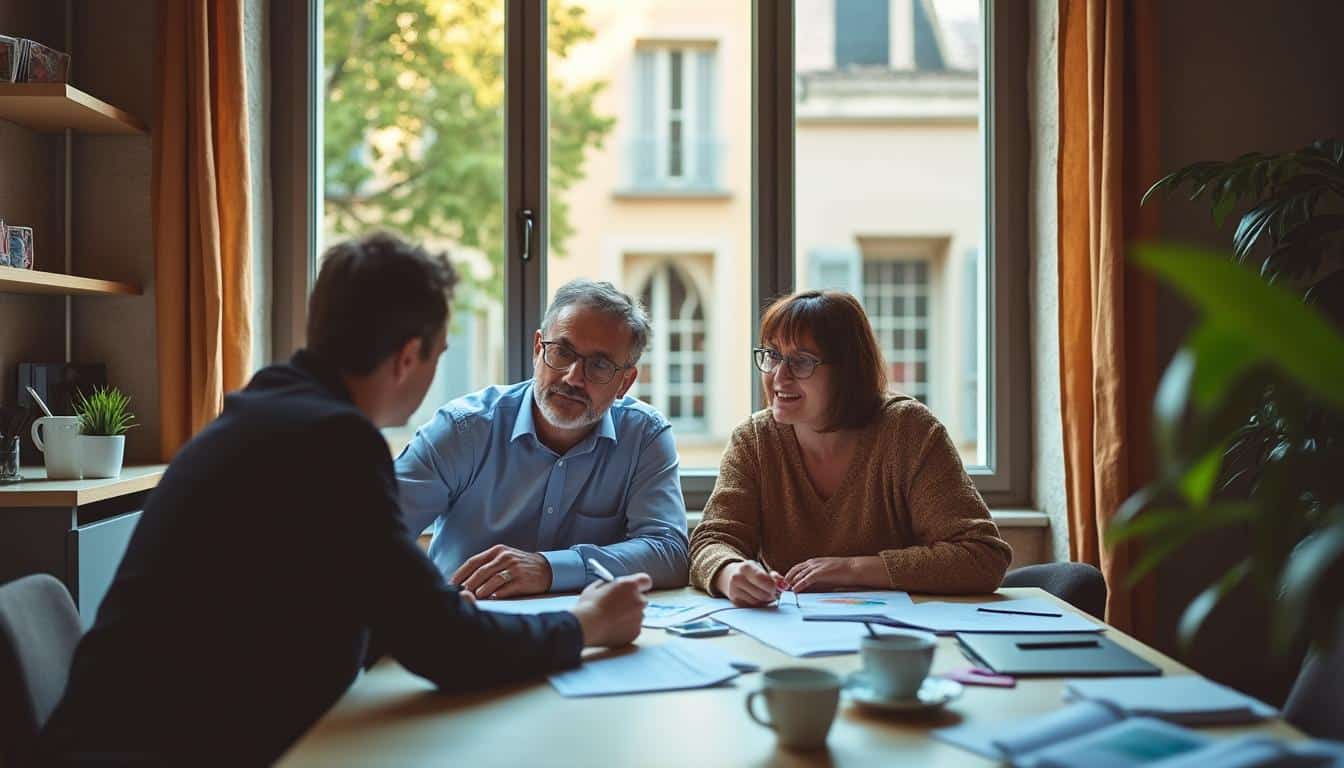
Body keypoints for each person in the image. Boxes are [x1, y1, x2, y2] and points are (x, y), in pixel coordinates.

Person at [39, 234, 650, 764]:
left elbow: (367, 600)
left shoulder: (276, 408)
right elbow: (440, 643)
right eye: (437, 354)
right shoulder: (330, 442)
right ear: (408, 356)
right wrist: (583, 623)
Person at [689, 290, 1011, 606]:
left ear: (848, 371)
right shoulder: (753, 441)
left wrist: (852, 569)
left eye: (801, 362)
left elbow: (982, 556)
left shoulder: (908, 430)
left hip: (898, 638)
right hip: (789, 634)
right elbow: (711, 542)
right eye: (772, 356)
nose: (778, 377)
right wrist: (730, 573)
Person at [396, 279, 689, 598]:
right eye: (562, 352)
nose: (573, 377)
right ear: (538, 349)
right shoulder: (464, 429)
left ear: (625, 382)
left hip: (590, 631)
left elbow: (669, 552)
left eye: (600, 365)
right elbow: (373, 533)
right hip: (470, 625)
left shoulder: (644, 436)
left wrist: (549, 569)